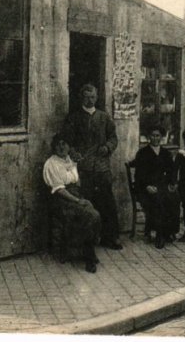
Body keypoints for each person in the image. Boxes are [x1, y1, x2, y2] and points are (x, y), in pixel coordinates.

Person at [62, 84, 123, 250]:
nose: (90, 100)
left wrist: (108, 147)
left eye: (93, 97)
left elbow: (113, 138)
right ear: (81, 98)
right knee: (86, 203)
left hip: (102, 167)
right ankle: (87, 241)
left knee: (107, 203)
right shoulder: (73, 118)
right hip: (83, 168)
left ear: (97, 98)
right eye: (86, 97)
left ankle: (111, 237)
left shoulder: (104, 117)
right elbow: (67, 140)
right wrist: (73, 153)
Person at [43, 135, 101, 273]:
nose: (62, 147)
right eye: (58, 144)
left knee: (94, 214)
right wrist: (77, 200)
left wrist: (76, 165)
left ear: (69, 146)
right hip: (61, 200)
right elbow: (59, 190)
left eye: (65, 144)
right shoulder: (51, 164)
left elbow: (76, 181)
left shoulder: (70, 160)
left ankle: (85, 251)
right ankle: (89, 257)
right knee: (91, 215)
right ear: (54, 147)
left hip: (74, 196)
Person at [130, 126, 180, 249]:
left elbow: (172, 171)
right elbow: (139, 175)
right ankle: (159, 234)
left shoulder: (165, 153)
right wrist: (147, 186)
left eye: (158, 136)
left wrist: (172, 183)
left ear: (161, 137)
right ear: (148, 137)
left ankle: (169, 232)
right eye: (152, 135)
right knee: (158, 199)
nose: (155, 138)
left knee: (174, 197)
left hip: (162, 186)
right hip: (145, 188)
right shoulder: (142, 153)